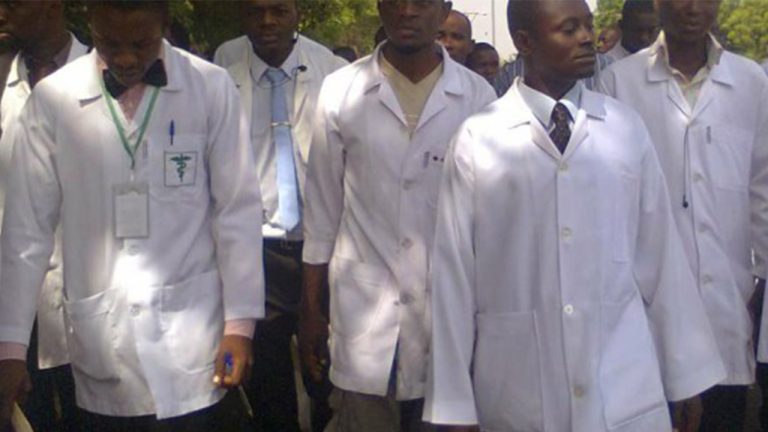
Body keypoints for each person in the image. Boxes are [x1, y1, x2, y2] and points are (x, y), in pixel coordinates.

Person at [424, 0, 725, 430]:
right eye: (568, 29)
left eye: (588, 25)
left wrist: (685, 375)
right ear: (525, 41)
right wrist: (454, 404)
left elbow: (661, 257)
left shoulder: (624, 128)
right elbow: (454, 276)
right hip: (519, 388)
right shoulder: (478, 138)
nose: (586, 38)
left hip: (623, 384)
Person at [0, 1, 265, 431]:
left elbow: (236, 210)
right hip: (104, 345)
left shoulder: (209, 87)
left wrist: (240, 326)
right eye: (109, 43)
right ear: (91, 24)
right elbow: (26, 231)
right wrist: (10, 347)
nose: (125, 59)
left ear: (165, 24)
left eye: (141, 44)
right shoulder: (53, 99)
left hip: (194, 342)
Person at [298, 0, 496, 430]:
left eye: (421, 1)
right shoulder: (340, 90)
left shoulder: (478, 97)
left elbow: (492, 225)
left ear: (443, 9)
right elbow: (322, 213)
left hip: (448, 319)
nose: (407, 11)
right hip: (365, 316)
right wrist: (311, 309)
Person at [600, 0, 768, 430]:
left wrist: (759, 285)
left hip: (728, 302)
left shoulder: (750, 81)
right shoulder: (620, 82)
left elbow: (761, 190)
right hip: (647, 309)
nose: (693, 8)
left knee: (724, 416)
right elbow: (610, 204)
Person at [222, 0, 347, 430]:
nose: (267, 21)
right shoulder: (222, 70)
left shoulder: (331, 72)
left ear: (297, 13)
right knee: (268, 387)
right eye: (255, 11)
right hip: (258, 251)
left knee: (327, 378)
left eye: (279, 10)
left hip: (321, 248)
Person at [0, 1, 88, 430]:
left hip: (92, 294)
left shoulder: (108, 73)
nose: (2, 13)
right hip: (15, 301)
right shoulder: (4, 79)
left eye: (12, 2)